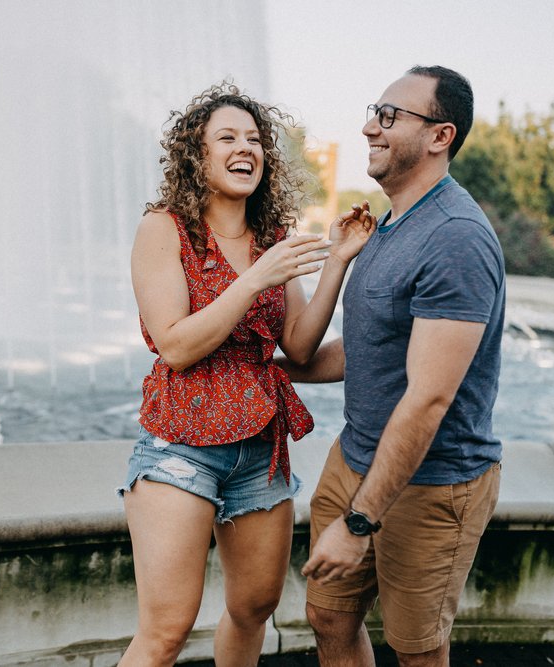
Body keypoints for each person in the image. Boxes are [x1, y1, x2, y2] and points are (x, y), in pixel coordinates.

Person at [117, 82, 375, 667]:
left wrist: (335, 261)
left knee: (255, 607)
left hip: (261, 448)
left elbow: (301, 348)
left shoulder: (270, 241)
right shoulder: (165, 229)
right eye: (227, 137)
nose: (246, 148)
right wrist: (257, 279)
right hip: (181, 444)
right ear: (197, 155)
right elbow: (176, 346)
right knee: (166, 629)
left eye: (255, 138)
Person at [286, 66, 506, 666]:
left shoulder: (455, 238)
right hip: (354, 457)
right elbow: (366, 353)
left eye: (388, 116)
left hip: (434, 485)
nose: (367, 127)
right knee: (329, 616)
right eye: (372, 112)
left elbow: (428, 398)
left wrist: (359, 523)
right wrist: (261, 371)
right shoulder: (387, 223)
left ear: (440, 136)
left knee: (417, 651)